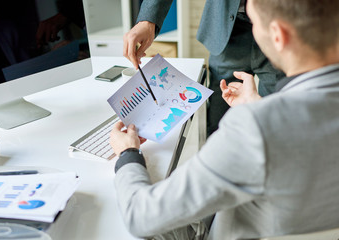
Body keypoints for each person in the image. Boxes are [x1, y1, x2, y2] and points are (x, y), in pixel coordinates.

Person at [110, 0, 339, 239]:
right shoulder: (268, 121)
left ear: (277, 36)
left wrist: (128, 154)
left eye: (256, 23)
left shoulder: (252, 128)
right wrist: (258, 106)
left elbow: (140, 217)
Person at [123, 0, 285, 135]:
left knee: (276, 123)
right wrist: (148, 20)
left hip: (281, 29)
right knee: (216, 123)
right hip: (228, 29)